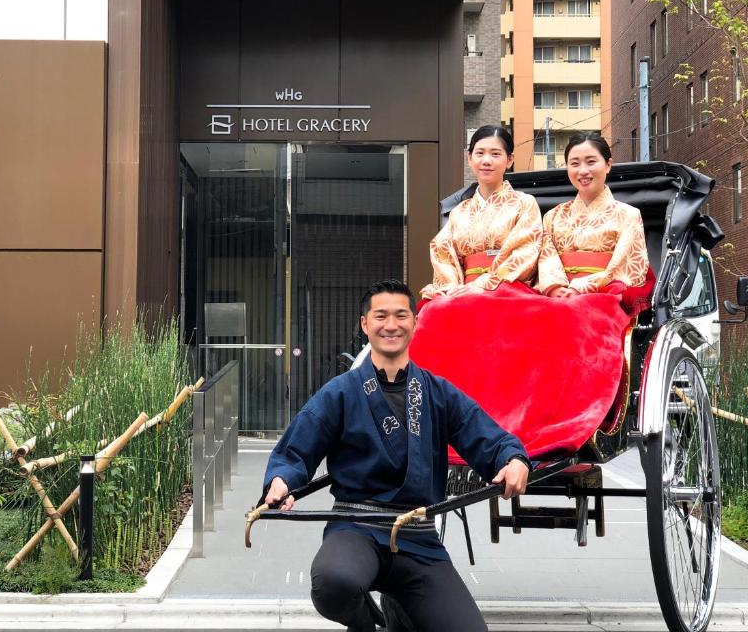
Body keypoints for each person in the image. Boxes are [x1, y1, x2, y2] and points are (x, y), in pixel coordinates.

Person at [263, 279, 530, 632]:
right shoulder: (340, 393)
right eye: (381, 316)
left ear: (415, 323)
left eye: (401, 315)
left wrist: (513, 459)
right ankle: (368, 624)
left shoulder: (438, 392)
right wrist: (282, 480)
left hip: (417, 536)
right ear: (365, 324)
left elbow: (484, 435)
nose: (391, 325)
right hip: (357, 528)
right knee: (333, 583)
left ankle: (400, 611)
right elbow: (298, 447)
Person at [421, 125, 543, 299]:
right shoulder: (459, 211)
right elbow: (443, 253)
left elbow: (526, 252)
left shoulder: (524, 203)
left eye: (495, 154)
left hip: (508, 290)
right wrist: (454, 287)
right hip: (463, 291)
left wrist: (486, 283)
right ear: (469, 159)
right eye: (479, 153)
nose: (486, 160)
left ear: (509, 160)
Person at [536, 132, 650, 300]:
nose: (583, 171)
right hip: (558, 295)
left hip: (604, 294)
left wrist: (582, 287)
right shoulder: (552, 216)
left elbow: (624, 268)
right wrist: (554, 288)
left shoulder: (628, 215)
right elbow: (546, 258)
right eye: (574, 163)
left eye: (591, 162)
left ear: (608, 165)